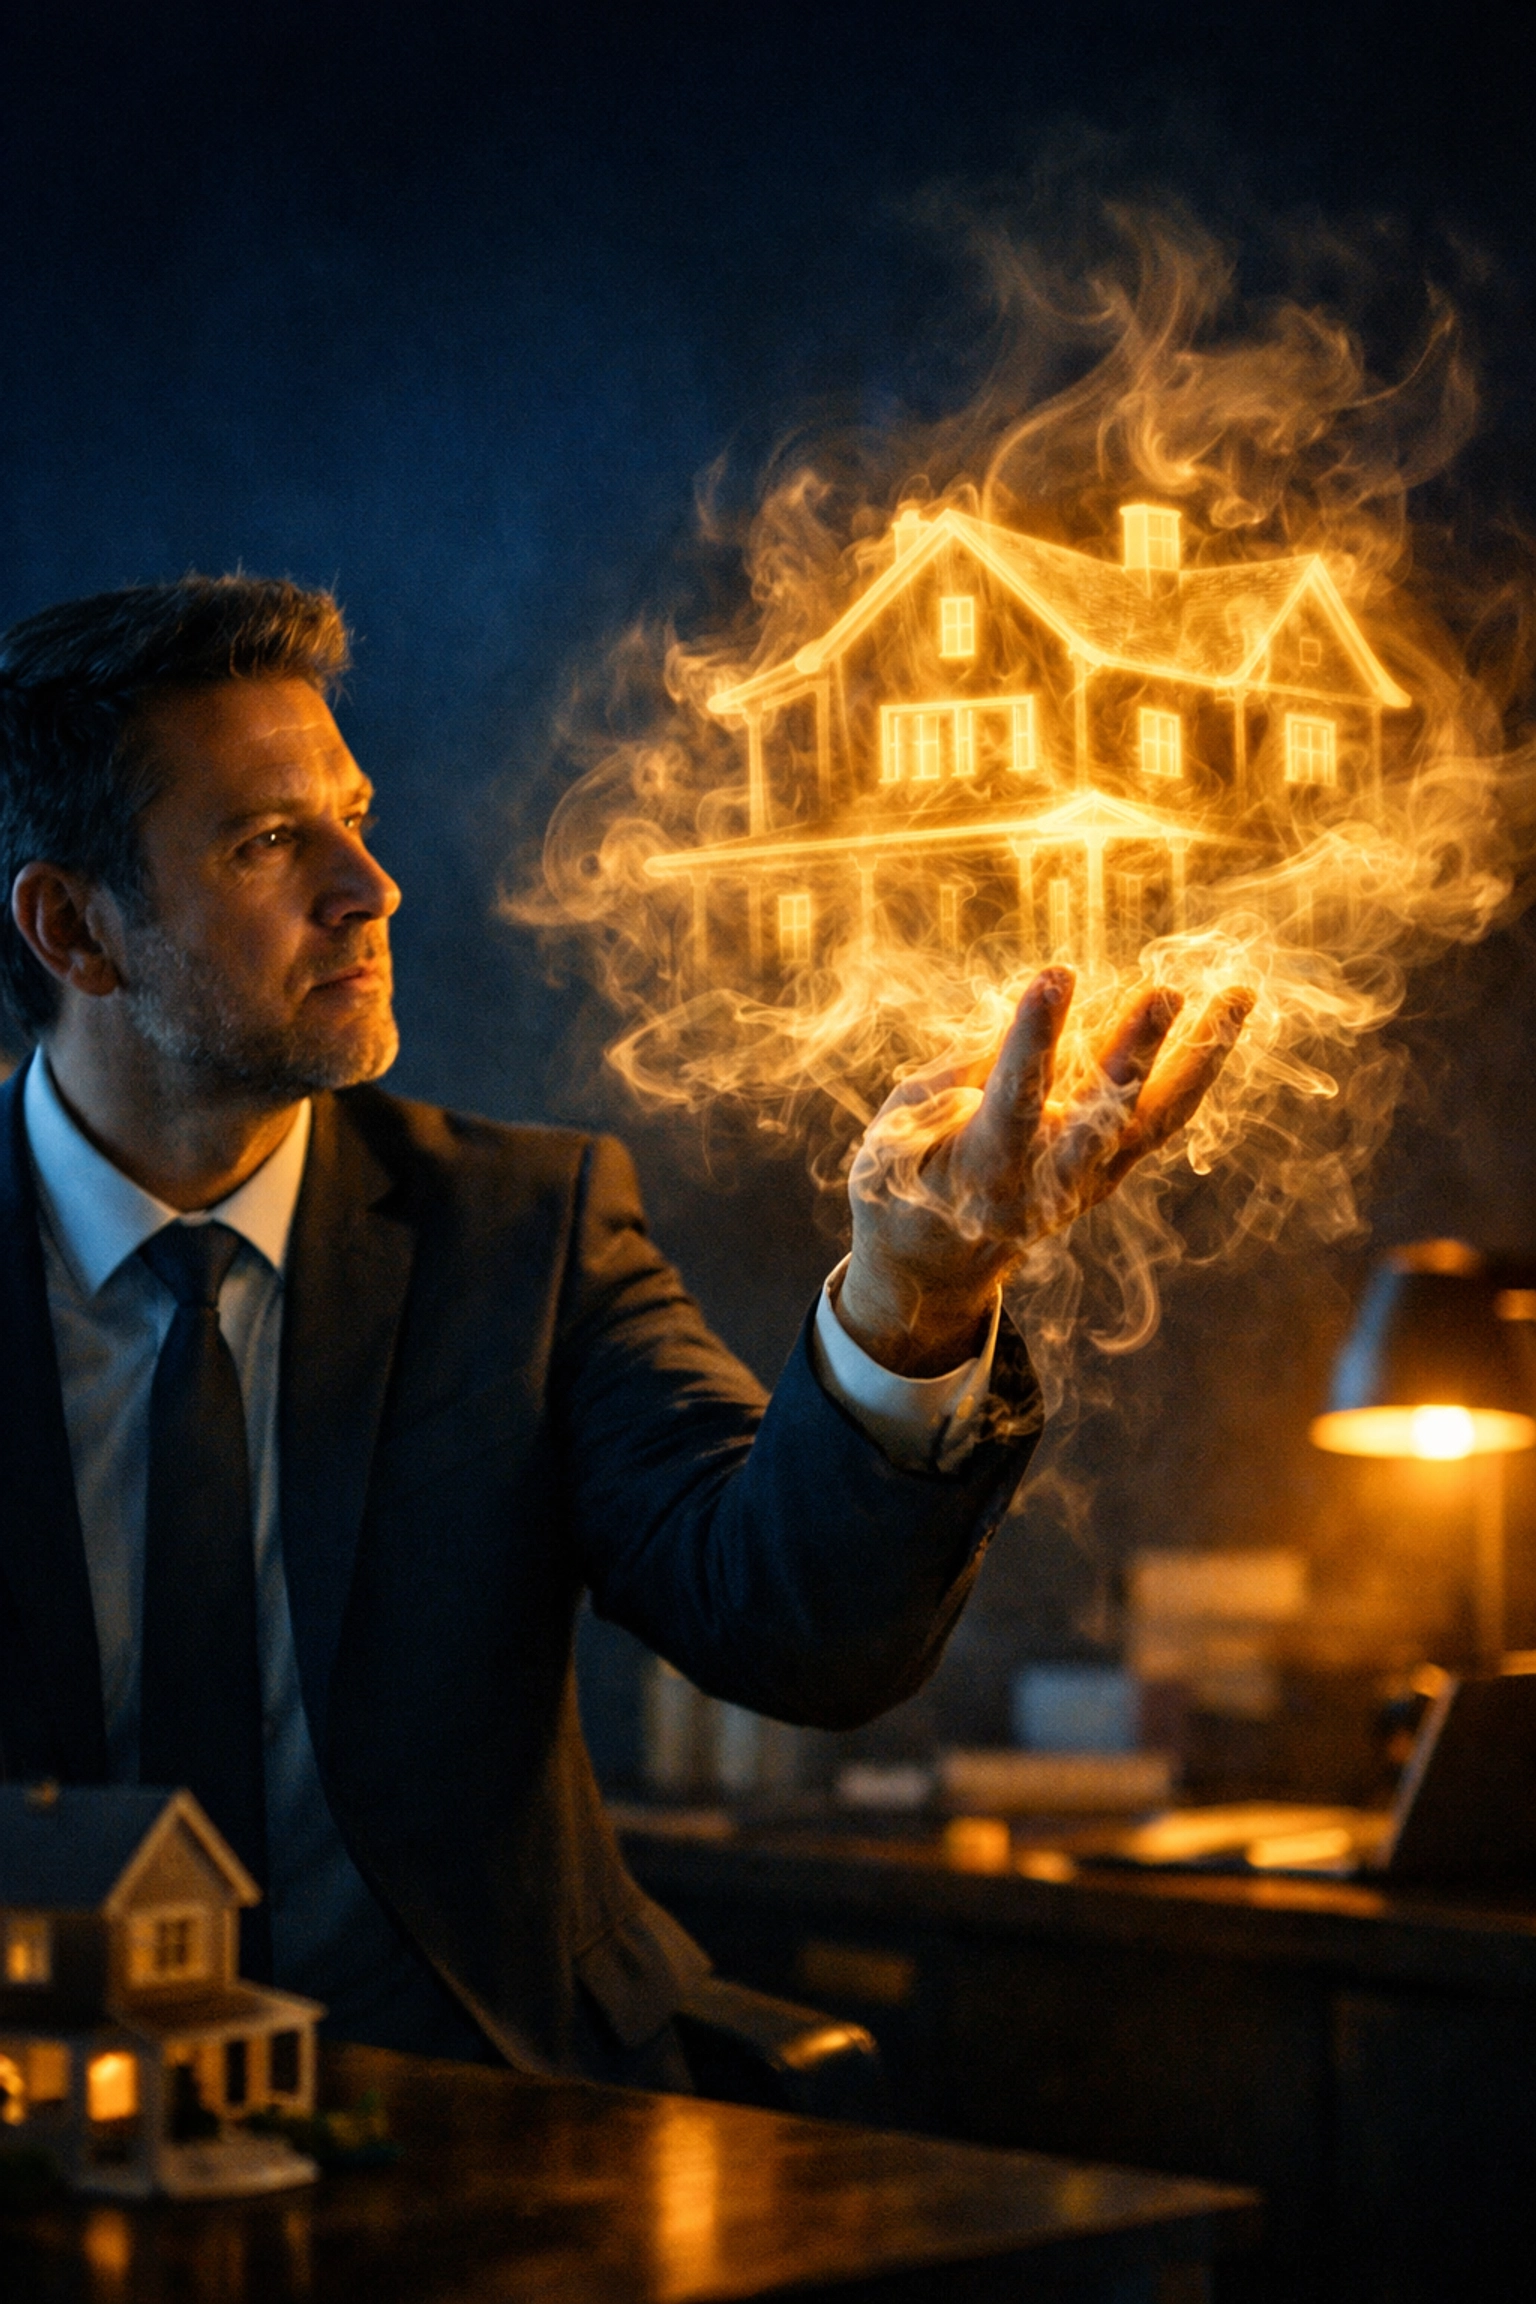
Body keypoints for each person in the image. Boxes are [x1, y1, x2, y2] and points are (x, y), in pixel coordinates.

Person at [0, 577, 1248, 2081]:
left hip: (493, 2110)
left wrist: (920, 1297)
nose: (371, 887)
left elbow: (794, 1630)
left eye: (355, 817)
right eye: (268, 842)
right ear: (72, 927)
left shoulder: (520, 1234)